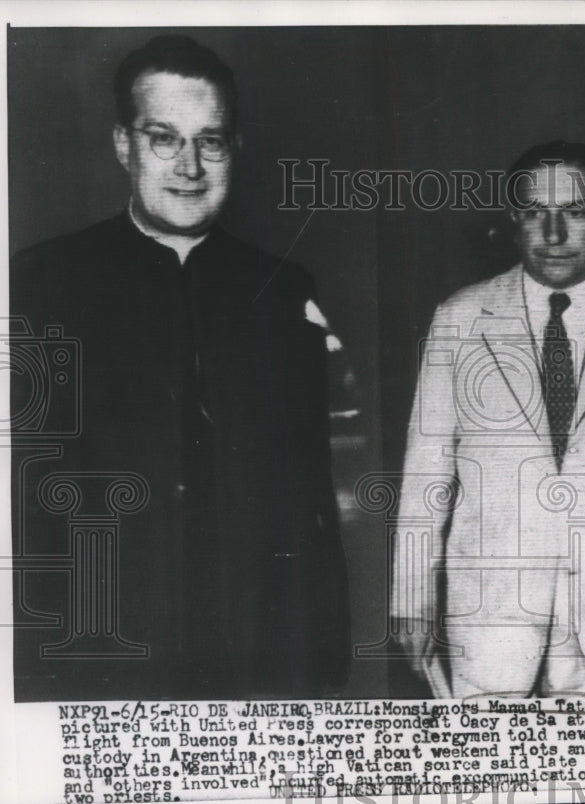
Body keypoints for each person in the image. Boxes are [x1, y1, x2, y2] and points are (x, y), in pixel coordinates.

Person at [11, 35, 350, 700]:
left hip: (257, 646)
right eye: (164, 137)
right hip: (97, 644)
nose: (190, 165)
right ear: (122, 144)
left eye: (212, 140)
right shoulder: (40, 282)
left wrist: (320, 652)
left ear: (236, 150)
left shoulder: (283, 288)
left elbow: (310, 490)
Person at [390, 141, 585, 697]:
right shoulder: (459, 317)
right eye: (534, 212)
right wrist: (411, 599)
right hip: (490, 620)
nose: (553, 234)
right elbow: (426, 472)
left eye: (575, 212)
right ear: (514, 218)